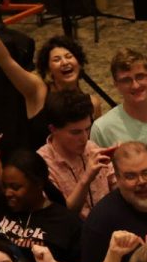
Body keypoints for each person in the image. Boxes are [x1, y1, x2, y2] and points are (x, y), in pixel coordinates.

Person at [0, 0, 101, 138]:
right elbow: (6, 62)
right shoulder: (37, 91)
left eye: (69, 56)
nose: (64, 62)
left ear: (79, 64)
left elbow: (94, 142)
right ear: (48, 70)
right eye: (56, 59)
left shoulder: (93, 104)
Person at [0, 149, 82, 262]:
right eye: (5, 186)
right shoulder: (0, 207)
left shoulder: (66, 223)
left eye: (15, 187)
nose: (7, 193)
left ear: (38, 183)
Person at [37, 90, 111, 219]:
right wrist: (86, 179)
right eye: (76, 132)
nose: (84, 138)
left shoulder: (91, 147)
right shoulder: (41, 164)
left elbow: (117, 187)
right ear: (53, 129)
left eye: (87, 129)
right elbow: (63, 216)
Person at [90, 49, 147, 148]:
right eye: (126, 80)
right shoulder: (102, 129)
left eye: (140, 77)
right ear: (116, 85)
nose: (135, 86)